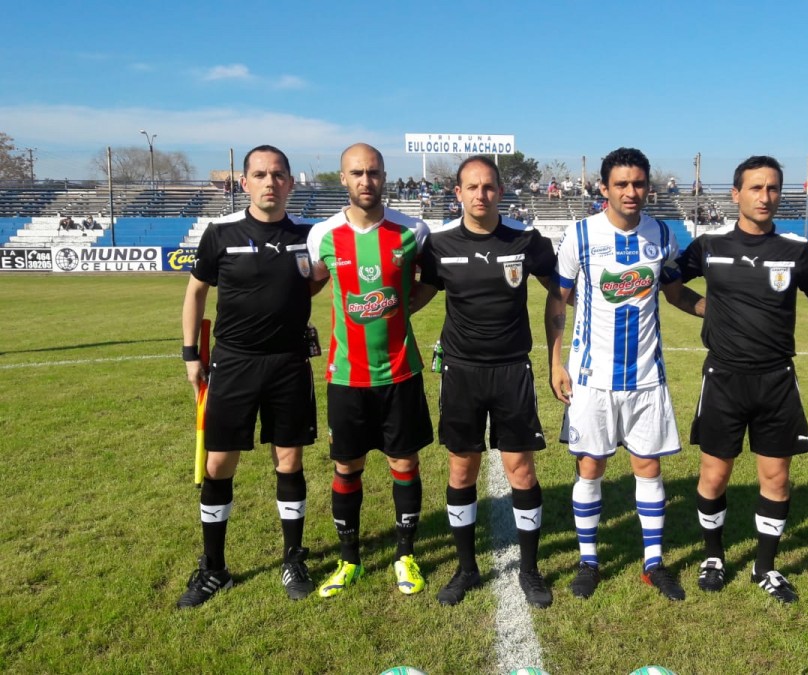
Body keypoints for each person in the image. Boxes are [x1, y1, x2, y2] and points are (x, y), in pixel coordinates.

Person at [676, 155, 808, 605]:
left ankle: (765, 567)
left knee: (776, 477)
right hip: (723, 378)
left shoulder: (796, 249)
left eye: (772, 188)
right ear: (735, 194)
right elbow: (669, 283)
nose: (765, 197)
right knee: (714, 476)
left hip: (776, 380)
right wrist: (705, 308)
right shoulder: (708, 245)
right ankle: (713, 557)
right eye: (755, 188)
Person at [546, 147, 705, 602]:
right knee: (591, 467)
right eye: (621, 184)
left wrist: (717, 311)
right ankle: (589, 560)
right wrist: (555, 363)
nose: (631, 191)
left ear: (647, 187)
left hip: (646, 376)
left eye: (638, 184)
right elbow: (557, 302)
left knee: (648, 467)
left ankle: (653, 563)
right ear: (604, 189)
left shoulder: (661, 234)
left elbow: (674, 293)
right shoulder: (579, 236)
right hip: (592, 378)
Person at [177, 145, 323, 608]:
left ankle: (293, 557)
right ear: (245, 182)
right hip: (234, 363)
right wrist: (190, 355)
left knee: (289, 460)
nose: (269, 182)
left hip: (288, 363)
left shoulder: (309, 236)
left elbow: (315, 279)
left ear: (290, 183)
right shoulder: (220, 235)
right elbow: (195, 293)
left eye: (278, 175)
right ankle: (214, 568)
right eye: (260, 174)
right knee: (218, 465)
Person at [417, 155, 558, 609]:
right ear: (457, 193)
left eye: (489, 187)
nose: (481, 194)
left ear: (501, 191)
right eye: (471, 187)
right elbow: (415, 296)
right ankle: (466, 567)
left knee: (521, 468)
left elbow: (561, 290)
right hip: (461, 371)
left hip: (512, 370)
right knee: (463, 468)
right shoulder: (437, 246)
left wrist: (559, 355)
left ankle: (531, 569)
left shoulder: (526, 242)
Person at [306, 143, 433, 599]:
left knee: (405, 462)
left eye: (374, 172)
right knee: (346, 465)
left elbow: (429, 282)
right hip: (346, 377)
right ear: (343, 178)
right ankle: (349, 559)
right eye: (357, 173)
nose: (366, 181)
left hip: (400, 373)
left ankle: (405, 555)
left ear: (385, 177)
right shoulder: (322, 235)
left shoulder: (412, 231)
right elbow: (313, 283)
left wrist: (402, 312)